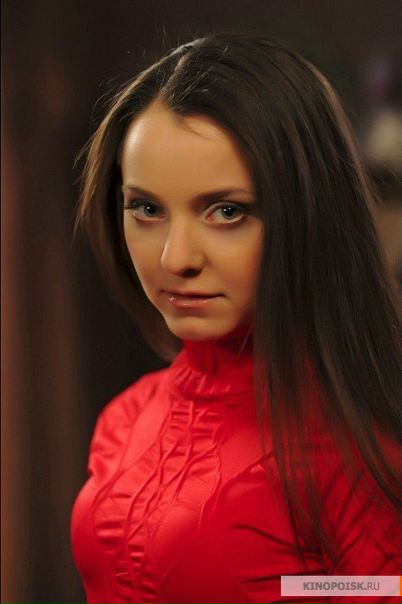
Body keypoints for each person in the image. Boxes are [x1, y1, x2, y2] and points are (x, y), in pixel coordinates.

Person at [71, 32, 401, 603]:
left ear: (308, 213)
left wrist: (298, 589)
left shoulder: (362, 450)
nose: (175, 259)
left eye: (226, 211)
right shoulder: (125, 421)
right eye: (146, 208)